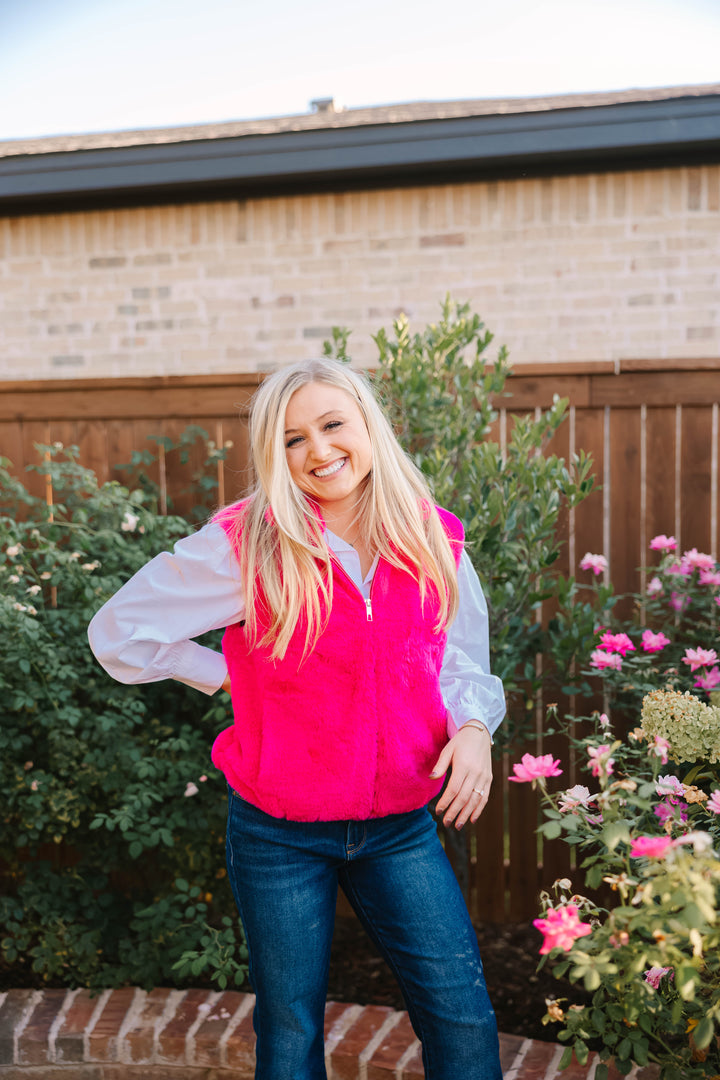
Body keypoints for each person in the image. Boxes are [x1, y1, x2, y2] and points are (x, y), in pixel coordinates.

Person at [88, 356, 506, 1080]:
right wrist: (221, 674)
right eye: (291, 439)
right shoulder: (246, 545)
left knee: (463, 1022)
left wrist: (474, 730)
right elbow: (118, 630)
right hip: (277, 833)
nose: (317, 450)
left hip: (400, 828)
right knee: (289, 1035)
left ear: (370, 426)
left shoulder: (433, 537)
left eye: (333, 424)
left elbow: (460, 659)